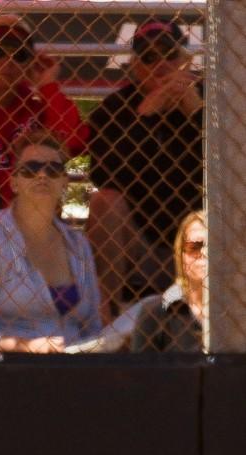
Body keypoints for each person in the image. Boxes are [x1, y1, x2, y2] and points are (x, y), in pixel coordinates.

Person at [0, 130, 102, 353]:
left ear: (65, 182)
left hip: (72, 366)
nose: (42, 175)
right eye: (30, 169)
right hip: (7, 369)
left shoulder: (77, 244)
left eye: (53, 169)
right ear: (14, 182)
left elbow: (92, 324)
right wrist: (21, 346)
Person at [85, 18, 203, 322]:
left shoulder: (212, 103)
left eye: (168, 55)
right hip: (138, 244)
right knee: (104, 202)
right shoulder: (115, 108)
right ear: (135, 66)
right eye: (148, 57)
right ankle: (106, 320)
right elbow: (105, 175)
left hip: (202, 237)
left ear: (185, 60)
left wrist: (198, 117)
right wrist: (145, 116)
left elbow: (233, 174)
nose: (159, 64)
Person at [0, 14, 87, 237]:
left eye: (19, 54)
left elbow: (71, 141)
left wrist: (48, 85)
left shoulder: (40, 110)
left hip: (33, 219)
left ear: (30, 62)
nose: (8, 61)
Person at [130, 210, 205, 353]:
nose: (205, 254)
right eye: (195, 247)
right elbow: (140, 374)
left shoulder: (239, 311)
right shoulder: (155, 312)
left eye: (213, 247)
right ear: (180, 255)